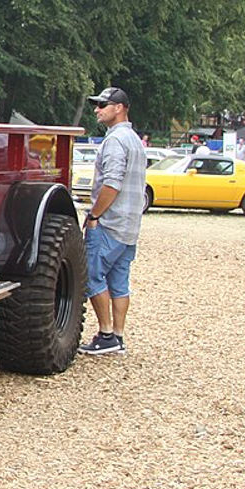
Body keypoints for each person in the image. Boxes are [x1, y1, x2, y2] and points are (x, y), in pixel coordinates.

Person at [79, 86, 146, 356]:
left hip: (110, 223)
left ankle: (105, 334)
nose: (97, 109)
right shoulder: (135, 140)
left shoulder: (115, 141)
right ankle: (118, 336)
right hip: (130, 225)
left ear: (119, 108)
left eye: (102, 104)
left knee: (93, 275)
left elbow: (112, 183)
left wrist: (94, 214)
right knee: (119, 282)